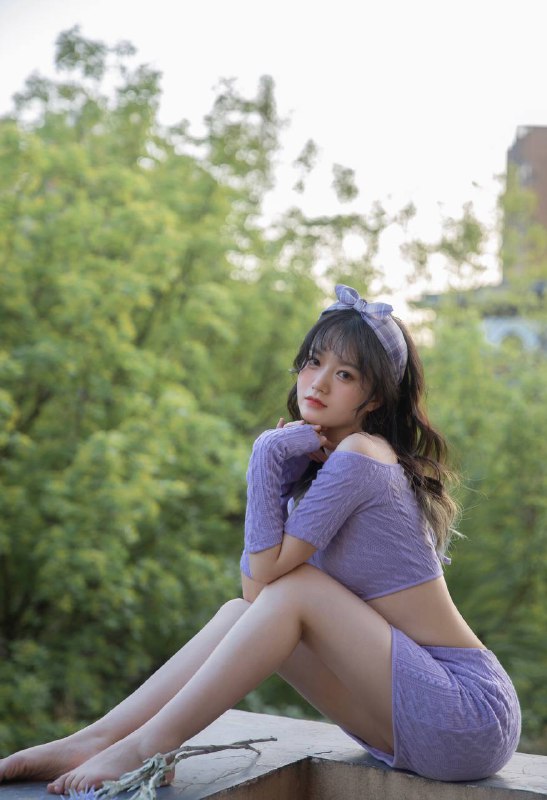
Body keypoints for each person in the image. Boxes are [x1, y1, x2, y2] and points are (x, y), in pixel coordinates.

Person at [0, 285, 521, 794]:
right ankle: (95, 740)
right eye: (313, 363)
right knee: (238, 613)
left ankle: (149, 747)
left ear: (376, 397)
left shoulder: (362, 453)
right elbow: (256, 596)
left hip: (465, 710)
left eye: (345, 374)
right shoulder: (328, 467)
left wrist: (265, 456)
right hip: (406, 726)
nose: (318, 383)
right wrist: (280, 471)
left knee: (297, 588)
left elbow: (276, 585)